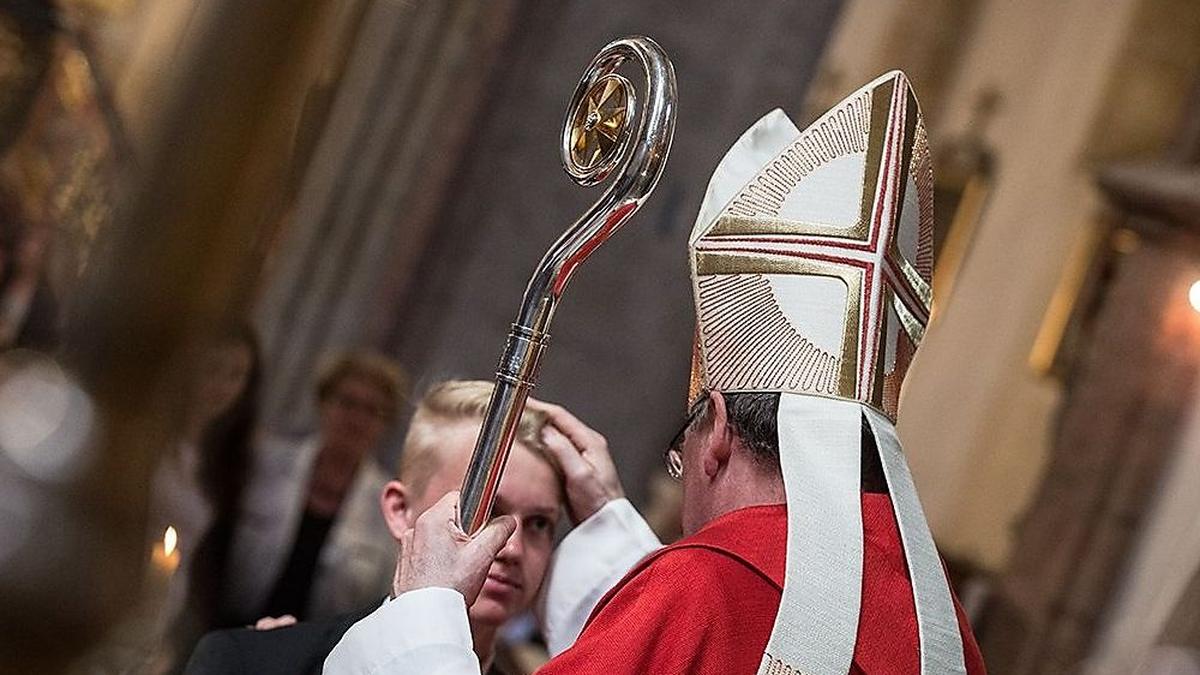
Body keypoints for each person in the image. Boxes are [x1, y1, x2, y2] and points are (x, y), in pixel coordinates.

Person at [324, 71, 987, 674]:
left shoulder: (699, 589)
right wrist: (614, 531)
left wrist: (424, 613)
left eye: (682, 450)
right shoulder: (942, 632)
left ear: (719, 432)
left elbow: (700, 627)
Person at [185, 380, 588, 674]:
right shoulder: (252, 662)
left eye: (539, 523)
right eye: (482, 509)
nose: (512, 548)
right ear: (400, 510)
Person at [221, 351, 406, 625]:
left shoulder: (389, 505)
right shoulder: (264, 465)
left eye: (372, 411)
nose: (356, 419)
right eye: (347, 403)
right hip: (230, 627)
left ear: (386, 424)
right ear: (323, 402)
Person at [150, 322, 263, 668]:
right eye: (213, 369)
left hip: (167, 598)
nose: (223, 386)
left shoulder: (227, 459)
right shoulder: (152, 433)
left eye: (236, 375)